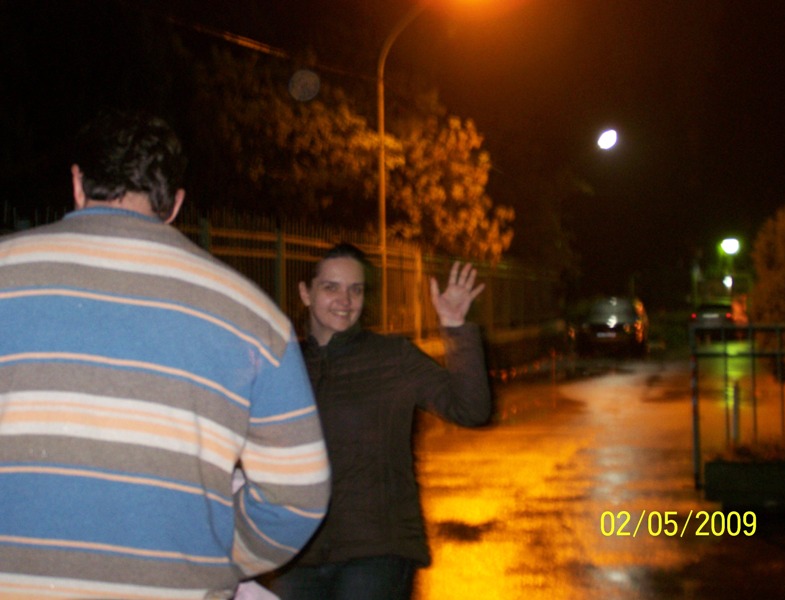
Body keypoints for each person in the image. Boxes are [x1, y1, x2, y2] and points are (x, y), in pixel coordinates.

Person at [0, 110, 330, 599]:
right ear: (175, 204)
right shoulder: (251, 315)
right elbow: (297, 497)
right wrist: (216, 553)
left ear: (77, 183)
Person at [267, 243, 492, 599]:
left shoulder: (392, 358)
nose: (345, 300)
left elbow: (471, 408)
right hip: (299, 556)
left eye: (355, 290)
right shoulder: (282, 364)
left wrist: (456, 327)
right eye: (331, 287)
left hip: (377, 553)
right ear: (305, 293)